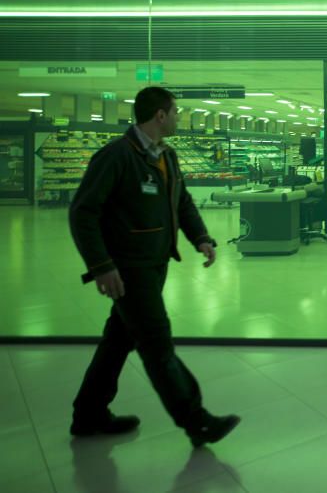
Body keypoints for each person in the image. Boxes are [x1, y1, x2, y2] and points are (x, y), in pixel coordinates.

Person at [68, 86, 240, 447]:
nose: (180, 118)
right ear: (160, 116)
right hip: (129, 270)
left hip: (154, 264)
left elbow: (183, 200)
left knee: (118, 339)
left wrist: (201, 238)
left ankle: (88, 414)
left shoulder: (167, 157)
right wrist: (101, 265)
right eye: (176, 112)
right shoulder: (116, 156)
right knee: (157, 345)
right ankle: (197, 420)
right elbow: (83, 212)